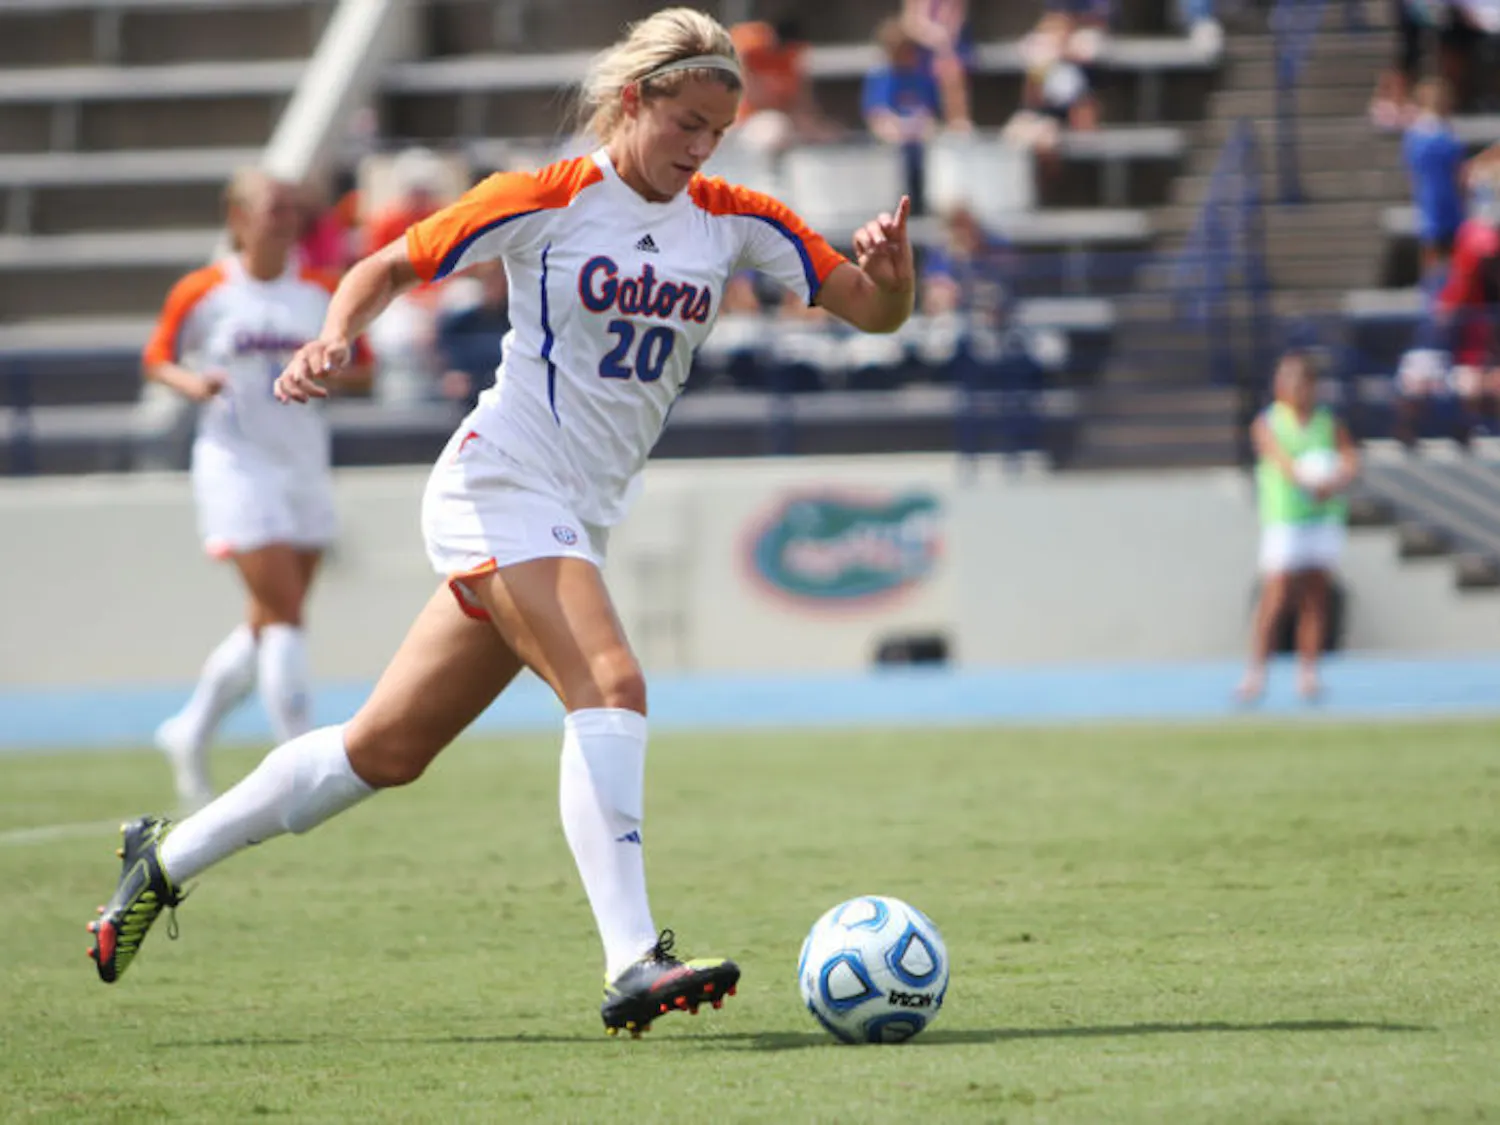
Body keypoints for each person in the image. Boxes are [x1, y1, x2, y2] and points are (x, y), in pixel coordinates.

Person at [85, 7, 916, 1040]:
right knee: (610, 683)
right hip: (500, 484)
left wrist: (897, 273)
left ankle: (161, 860)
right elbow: (383, 267)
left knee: (379, 754)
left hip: (574, 517)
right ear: (633, 101)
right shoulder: (549, 198)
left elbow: (876, 314)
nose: (701, 148)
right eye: (687, 123)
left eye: (719, 130)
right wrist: (333, 341)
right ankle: (631, 962)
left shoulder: (740, 219)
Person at [142, 169, 373, 811]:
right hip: (235, 464)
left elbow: (364, 365)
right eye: (272, 209)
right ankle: (297, 761)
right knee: (287, 612)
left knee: (271, 617)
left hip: (303, 463)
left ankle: (189, 731)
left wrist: (334, 368)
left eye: (292, 209)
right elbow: (158, 355)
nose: (285, 219)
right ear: (237, 217)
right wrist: (192, 385)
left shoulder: (321, 289)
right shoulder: (207, 289)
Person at [1238, 352, 1360, 704]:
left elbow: (1350, 458)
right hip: (1286, 521)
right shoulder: (1269, 422)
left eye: (1299, 379)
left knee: (1316, 597)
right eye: (1285, 378)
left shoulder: (1326, 422)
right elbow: (1282, 462)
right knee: (1275, 598)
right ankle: (1255, 674)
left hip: (1322, 521)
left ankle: (1308, 674)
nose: (1292, 386)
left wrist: (1339, 477)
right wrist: (1313, 482)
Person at [1402, 78, 1466, 278]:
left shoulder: (1444, 129)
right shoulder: (1421, 131)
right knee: (1434, 247)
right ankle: (1434, 294)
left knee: (1453, 250)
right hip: (1432, 195)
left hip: (1449, 196)